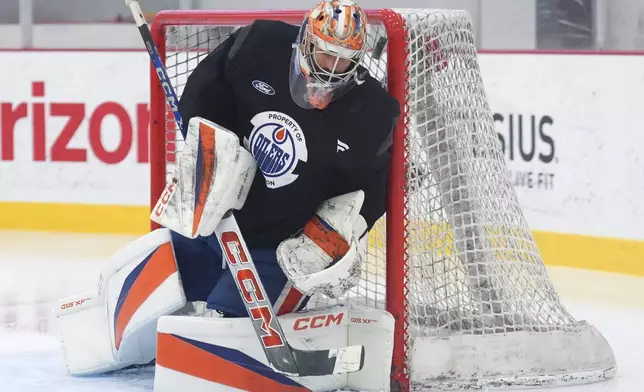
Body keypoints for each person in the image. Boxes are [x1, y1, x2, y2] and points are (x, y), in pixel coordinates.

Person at [55, 0, 399, 383]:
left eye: (345, 59)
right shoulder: (259, 45)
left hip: (277, 252)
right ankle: (106, 332)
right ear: (305, 40)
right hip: (215, 221)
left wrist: (338, 232)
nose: (332, 68)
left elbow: (372, 189)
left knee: (221, 322)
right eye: (325, 53)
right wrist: (208, 146)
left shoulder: (370, 112)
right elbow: (203, 89)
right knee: (149, 295)